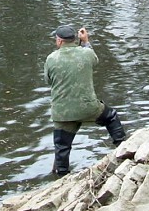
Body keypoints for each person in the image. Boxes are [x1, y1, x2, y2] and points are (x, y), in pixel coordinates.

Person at [43, 25, 127, 176]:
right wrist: (86, 41)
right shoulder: (87, 53)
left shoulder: (51, 58)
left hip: (62, 113)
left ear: (60, 41)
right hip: (88, 108)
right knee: (111, 116)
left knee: (62, 147)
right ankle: (122, 147)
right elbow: (94, 60)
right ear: (74, 39)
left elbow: (48, 80)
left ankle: (61, 175)